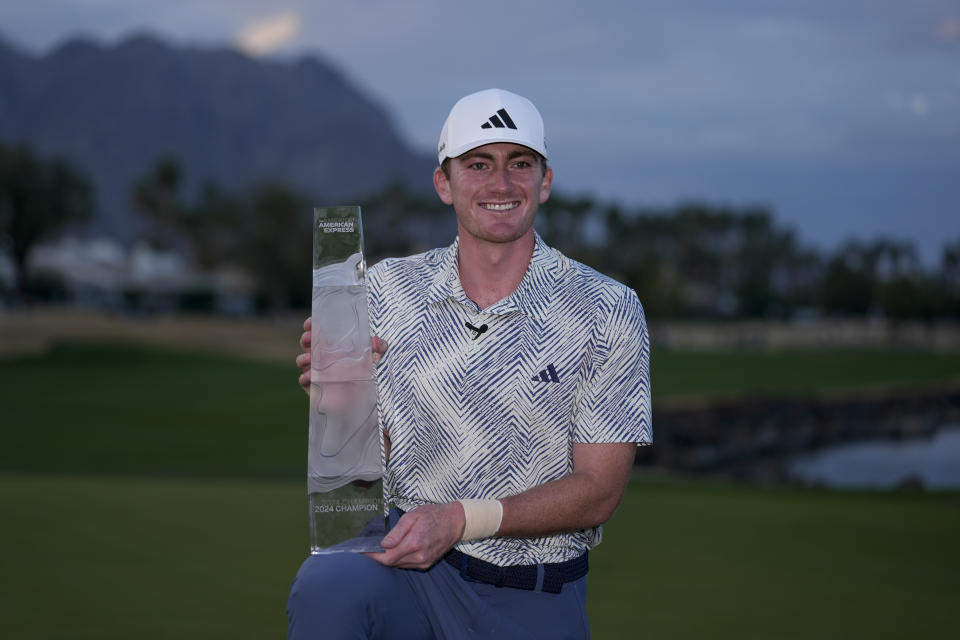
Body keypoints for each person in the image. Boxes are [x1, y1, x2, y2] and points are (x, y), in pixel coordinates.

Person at [288, 88, 651, 639]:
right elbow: (372, 457)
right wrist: (341, 402)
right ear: (444, 183)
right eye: (478, 164)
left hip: (534, 593)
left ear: (544, 181)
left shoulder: (608, 308)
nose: (500, 184)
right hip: (407, 575)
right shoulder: (386, 289)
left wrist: (459, 518)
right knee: (327, 585)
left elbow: (599, 489)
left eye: (519, 164)